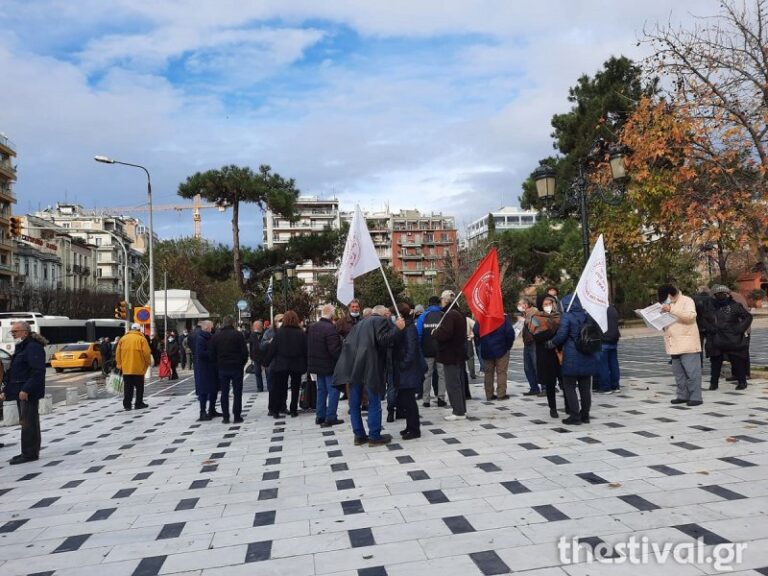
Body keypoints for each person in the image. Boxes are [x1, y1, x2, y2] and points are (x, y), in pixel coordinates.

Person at [334, 305, 405, 446]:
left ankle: (359, 435)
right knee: (374, 401)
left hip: (353, 367)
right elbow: (383, 339)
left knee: (354, 403)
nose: (389, 317)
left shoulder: (360, 323)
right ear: (383, 314)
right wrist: (398, 328)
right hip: (369, 367)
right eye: (387, 314)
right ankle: (374, 436)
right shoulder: (380, 321)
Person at [546, 294, 599, 425]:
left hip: (572, 356)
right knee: (585, 388)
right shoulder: (588, 316)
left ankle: (574, 416)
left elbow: (562, 335)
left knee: (569, 386)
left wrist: (551, 343)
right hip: (587, 354)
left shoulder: (567, 317)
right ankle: (585, 415)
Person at [0, 321, 46, 464]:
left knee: (28, 423)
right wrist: (5, 389)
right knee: (28, 422)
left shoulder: (32, 347)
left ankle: (29, 454)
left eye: (15, 331)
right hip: (21, 391)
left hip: (27, 392)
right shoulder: (22, 347)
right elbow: (14, 371)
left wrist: (26, 389)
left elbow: (38, 371)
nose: (12, 334)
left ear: (25, 333)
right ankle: (29, 451)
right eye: (12, 331)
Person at [700, 285, 752, 391]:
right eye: (717, 294)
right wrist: (710, 328)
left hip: (731, 338)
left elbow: (748, 317)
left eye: (723, 294)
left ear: (728, 294)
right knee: (715, 362)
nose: (720, 296)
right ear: (714, 295)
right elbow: (702, 319)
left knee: (736, 360)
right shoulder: (709, 306)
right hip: (715, 338)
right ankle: (713, 383)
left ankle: (742, 381)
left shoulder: (735, 306)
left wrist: (738, 329)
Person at [658, 284, 703, 406]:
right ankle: (682, 395)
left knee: (692, 372)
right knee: (679, 373)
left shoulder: (687, 300)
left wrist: (671, 309)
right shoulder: (667, 304)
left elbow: (691, 316)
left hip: (688, 344)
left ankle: (696, 397)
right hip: (673, 344)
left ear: (670, 295)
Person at [432, 290, 469, 421]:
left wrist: (435, 333)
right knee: (458, 383)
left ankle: (458, 412)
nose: (441, 302)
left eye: (442, 299)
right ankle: (461, 409)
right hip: (458, 353)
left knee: (453, 384)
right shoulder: (459, 313)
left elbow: (446, 334)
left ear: (446, 300)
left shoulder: (450, 314)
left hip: (451, 354)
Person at [391, 302, 425, 439]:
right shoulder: (405, 326)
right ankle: (409, 426)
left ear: (400, 315)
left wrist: (403, 364)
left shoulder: (410, 328)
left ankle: (414, 429)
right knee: (406, 400)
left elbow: (411, 350)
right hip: (404, 369)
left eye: (394, 314)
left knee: (410, 401)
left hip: (409, 370)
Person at [265, 310, 307, 418]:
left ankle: (276, 410)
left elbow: (272, 349)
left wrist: (266, 362)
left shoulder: (279, 332)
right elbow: (305, 349)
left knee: (279, 387)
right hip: (296, 363)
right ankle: (293, 409)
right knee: (295, 387)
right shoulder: (301, 333)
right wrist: (307, 363)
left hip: (281, 363)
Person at [307, 304, 343, 427]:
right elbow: (334, 350)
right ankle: (331, 417)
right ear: (332, 315)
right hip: (328, 365)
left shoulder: (312, 327)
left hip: (316, 364)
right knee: (333, 391)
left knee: (321, 390)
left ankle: (320, 416)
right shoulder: (330, 328)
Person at [528, 295, 562, 418]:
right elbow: (536, 337)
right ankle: (553, 408)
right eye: (545, 303)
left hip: (560, 354)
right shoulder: (535, 318)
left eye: (550, 303)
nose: (548, 306)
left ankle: (570, 405)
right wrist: (553, 332)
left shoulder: (559, 316)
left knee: (565, 382)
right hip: (545, 355)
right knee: (550, 384)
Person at [210, 316, 249, 424]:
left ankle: (226, 417)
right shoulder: (238, 335)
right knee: (237, 393)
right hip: (236, 367)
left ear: (223, 323)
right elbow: (244, 352)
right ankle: (237, 416)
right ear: (233, 323)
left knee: (224, 393)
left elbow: (212, 354)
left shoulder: (216, 336)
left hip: (222, 368)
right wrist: (242, 364)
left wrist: (217, 365)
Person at [474, 313, 515, 400]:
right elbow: (510, 333)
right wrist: (508, 346)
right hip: (501, 349)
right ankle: (501, 394)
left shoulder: (482, 317)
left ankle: (489, 394)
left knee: (488, 373)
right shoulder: (503, 318)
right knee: (501, 372)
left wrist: (481, 342)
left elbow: (476, 330)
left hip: (486, 348)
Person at [416, 295, 447, 408]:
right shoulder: (443, 315)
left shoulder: (423, 316)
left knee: (427, 375)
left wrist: (419, 348)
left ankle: (426, 400)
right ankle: (441, 398)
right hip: (441, 350)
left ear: (428, 304)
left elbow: (418, 333)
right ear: (439, 304)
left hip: (426, 349)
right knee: (442, 375)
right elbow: (447, 332)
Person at [116, 323, 153, 411]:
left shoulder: (123, 339)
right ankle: (138, 403)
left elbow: (118, 353)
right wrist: (148, 363)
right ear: (139, 330)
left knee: (128, 388)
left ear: (131, 329)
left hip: (126, 369)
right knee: (139, 387)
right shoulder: (141, 339)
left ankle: (127, 405)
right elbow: (146, 353)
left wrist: (120, 365)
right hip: (138, 368)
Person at [192, 321, 217, 421]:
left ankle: (212, 409)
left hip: (211, 367)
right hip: (203, 368)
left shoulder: (209, 337)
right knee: (204, 390)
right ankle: (203, 412)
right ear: (207, 327)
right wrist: (212, 353)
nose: (212, 328)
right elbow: (201, 353)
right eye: (211, 327)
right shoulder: (200, 338)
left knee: (213, 389)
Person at [596, 305, 621, 394]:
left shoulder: (597, 310)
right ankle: (615, 386)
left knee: (603, 365)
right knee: (613, 364)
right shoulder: (612, 308)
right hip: (613, 340)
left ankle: (606, 387)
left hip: (602, 340)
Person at [518, 298, 540, 395]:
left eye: (520, 304)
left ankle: (544, 388)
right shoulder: (525, 314)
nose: (519, 306)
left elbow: (536, 325)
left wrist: (525, 321)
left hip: (534, 343)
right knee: (528, 368)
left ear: (526, 305)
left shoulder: (535, 312)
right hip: (527, 343)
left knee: (537, 366)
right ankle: (534, 388)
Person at [248, 320, 266, 392]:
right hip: (256, 357)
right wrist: (252, 356)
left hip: (265, 356)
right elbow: (251, 346)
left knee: (268, 373)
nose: (255, 327)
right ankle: (259, 387)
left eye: (256, 326)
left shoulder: (265, 333)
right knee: (257, 373)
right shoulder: (252, 335)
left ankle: (270, 386)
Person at [465, 314, 477, 379]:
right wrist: (472, 335)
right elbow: (476, 327)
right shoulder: (467, 319)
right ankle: (472, 373)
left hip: (457, 342)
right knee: (470, 358)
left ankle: (461, 374)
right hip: (468, 340)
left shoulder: (452, 318)